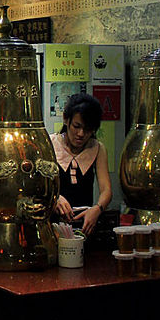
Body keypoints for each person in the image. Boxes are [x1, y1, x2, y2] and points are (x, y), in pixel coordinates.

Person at [50, 93, 112, 236]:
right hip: (53, 224)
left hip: (84, 224)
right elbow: (38, 186)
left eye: (88, 129)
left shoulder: (97, 148)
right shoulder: (50, 144)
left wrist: (97, 209)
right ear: (66, 120)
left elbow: (106, 190)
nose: (81, 134)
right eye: (76, 126)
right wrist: (55, 198)